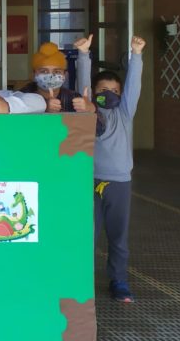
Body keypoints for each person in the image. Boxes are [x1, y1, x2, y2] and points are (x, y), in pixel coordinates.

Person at [77, 34, 145, 303]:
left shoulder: (124, 113)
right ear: (93, 93)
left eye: (115, 91)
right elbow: (83, 87)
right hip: (89, 181)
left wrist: (136, 55)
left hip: (119, 184)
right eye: (103, 90)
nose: (109, 94)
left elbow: (134, 87)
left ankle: (119, 281)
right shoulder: (87, 113)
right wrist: (83, 55)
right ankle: (83, 280)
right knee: (88, 235)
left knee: (118, 237)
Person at [20, 42, 95, 114]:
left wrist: (90, 108)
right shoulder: (21, 96)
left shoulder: (73, 98)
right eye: (44, 71)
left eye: (57, 71)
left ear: (65, 75)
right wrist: (44, 107)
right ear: (33, 75)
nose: (51, 75)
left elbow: (96, 119)